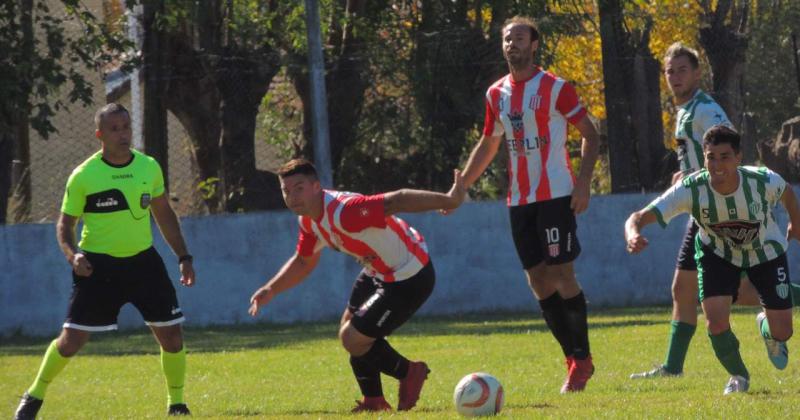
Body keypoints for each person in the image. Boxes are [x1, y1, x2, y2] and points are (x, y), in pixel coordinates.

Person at [14, 103, 196, 420]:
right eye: (114, 129)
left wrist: (183, 256)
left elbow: (164, 215)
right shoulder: (84, 175)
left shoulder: (148, 167)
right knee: (71, 341)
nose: (123, 134)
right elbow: (64, 225)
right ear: (100, 135)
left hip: (144, 264)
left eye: (126, 127)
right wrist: (74, 256)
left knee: (172, 336)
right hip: (99, 268)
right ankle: (33, 397)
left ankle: (177, 404)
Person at [629, 42, 800, 379]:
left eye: (682, 70)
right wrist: (687, 176)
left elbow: (726, 143)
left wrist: (703, 178)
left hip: (715, 208)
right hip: (702, 210)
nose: (675, 77)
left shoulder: (705, 109)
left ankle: (677, 366)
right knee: (690, 290)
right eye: (669, 71)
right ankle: (675, 367)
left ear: (697, 73)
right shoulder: (685, 111)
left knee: (722, 291)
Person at [248, 159, 466, 412]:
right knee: (350, 330)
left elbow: (397, 199)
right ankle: (373, 401)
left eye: (299, 188)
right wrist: (271, 289)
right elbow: (304, 261)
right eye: (286, 191)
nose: (292, 197)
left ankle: (409, 372)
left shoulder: (346, 211)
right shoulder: (308, 220)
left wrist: (450, 200)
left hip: (410, 276)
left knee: (352, 338)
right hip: (378, 272)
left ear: (317, 187)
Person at [455, 16, 600, 393]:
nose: (512, 44)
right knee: (537, 279)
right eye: (507, 38)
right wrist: (462, 186)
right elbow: (489, 144)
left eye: (519, 37)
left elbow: (591, 134)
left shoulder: (555, 87)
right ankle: (574, 358)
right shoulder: (495, 94)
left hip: (555, 195)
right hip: (519, 200)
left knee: (562, 274)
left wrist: (582, 183)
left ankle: (580, 357)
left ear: (534, 44)